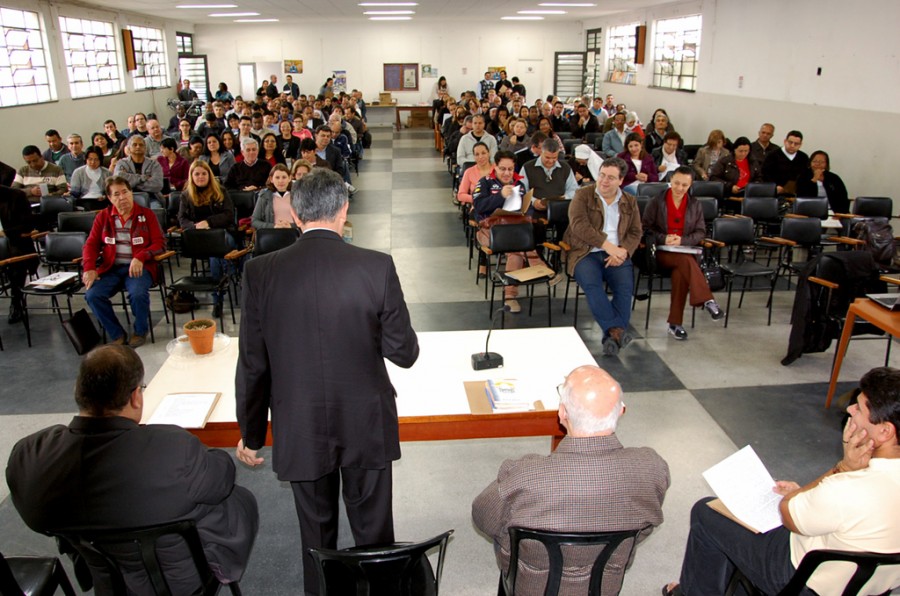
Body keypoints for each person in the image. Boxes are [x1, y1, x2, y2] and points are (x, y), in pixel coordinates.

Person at [235, 168, 418, 596]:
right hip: (366, 420)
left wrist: (252, 432)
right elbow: (404, 353)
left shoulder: (259, 272)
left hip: (300, 423)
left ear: (295, 215)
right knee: (374, 529)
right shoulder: (377, 266)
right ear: (344, 210)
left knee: (316, 535)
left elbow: (253, 364)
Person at [6, 345, 259, 594]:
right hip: (181, 581)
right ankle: (223, 568)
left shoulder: (28, 455)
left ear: (78, 390)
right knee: (238, 499)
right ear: (136, 396)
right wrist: (211, 454)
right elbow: (222, 479)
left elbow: (37, 521)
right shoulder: (173, 448)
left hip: (109, 580)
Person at [664, 366, 900, 596]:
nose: (849, 409)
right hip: (868, 586)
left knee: (706, 512)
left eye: (859, 408)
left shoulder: (849, 487)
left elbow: (787, 513)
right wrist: (808, 493)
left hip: (801, 580)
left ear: (885, 431)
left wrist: (842, 468)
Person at [473, 364, 669, 595]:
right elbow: (644, 527)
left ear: (562, 413)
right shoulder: (652, 468)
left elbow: (482, 516)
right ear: (620, 412)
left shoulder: (524, 475)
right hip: (604, 585)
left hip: (532, 587)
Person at [562, 157, 642, 356]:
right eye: (602, 175)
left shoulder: (629, 201)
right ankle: (617, 331)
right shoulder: (583, 195)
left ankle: (611, 337)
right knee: (592, 285)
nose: (604, 181)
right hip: (585, 252)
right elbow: (579, 226)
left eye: (611, 178)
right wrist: (608, 246)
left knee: (624, 288)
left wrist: (623, 251)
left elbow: (635, 232)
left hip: (617, 254)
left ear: (621, 181)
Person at [642, 166, 725, 340]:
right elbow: (645, 229)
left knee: (681, 270)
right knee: (685, 261)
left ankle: (675, 324)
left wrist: (682, 241)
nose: (679, 188)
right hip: (660, 253)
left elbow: (700, 232)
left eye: (685, 185)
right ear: (670, 180)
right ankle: (707, 300)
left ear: (691, 185)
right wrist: (664, 238)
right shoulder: (656, 202)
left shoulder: (695, 204)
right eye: (677, 183)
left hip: (684, 252)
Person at [82, 176, 165, 347]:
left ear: (131, 192)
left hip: (139, 268)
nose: (122, 197)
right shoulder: (103, 217)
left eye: (125, 192)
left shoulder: (147, 214)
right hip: (111, 268)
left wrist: (141, 256)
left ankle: (140, 331)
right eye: (116, 194)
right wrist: (89, 268)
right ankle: (116, 333)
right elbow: (91, 244)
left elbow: (160, 243)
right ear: (109, 198)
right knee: (92, 295)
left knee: (138, 294)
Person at [178, 161, 236, 317]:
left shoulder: (220, 191)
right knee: (217, 253)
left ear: (209, 175)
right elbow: (182, 219)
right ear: (191, 176)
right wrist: (195, 226)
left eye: (204, 173)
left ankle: (217, 299)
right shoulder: (186, 195)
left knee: (215, 253)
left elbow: (229, 215)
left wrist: (209, 222)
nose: (201, 177)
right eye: (197, 174)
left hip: (221, 233)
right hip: (198, 237)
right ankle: (230, 271)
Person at [0, 184, 36, 323]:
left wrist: (4, 233)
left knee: (17, 260)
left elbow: (27, 226)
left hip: (15, 242)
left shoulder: (16, 196)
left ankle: (16, 303)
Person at [762, 130, 809, 196]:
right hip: (775, 193)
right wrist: (775, 186)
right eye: (790, 142)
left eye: (796, 144)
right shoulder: (773, 155)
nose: (792, 145)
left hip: (796, 194)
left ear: (800, 145)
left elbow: (805, 175)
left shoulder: (803, 157)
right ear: (785, 141)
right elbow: (765, 174)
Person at [251, 163, 296, 229]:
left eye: (284, 177)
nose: (280, 181)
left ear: (289, 178)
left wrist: (291, 226)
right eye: (277, 177)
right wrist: (274, 226)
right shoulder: (264, 195)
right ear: (271, 179)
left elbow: (306, 220)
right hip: (272, 233)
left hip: (294, 232)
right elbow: (254, 221)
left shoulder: (298, 194)